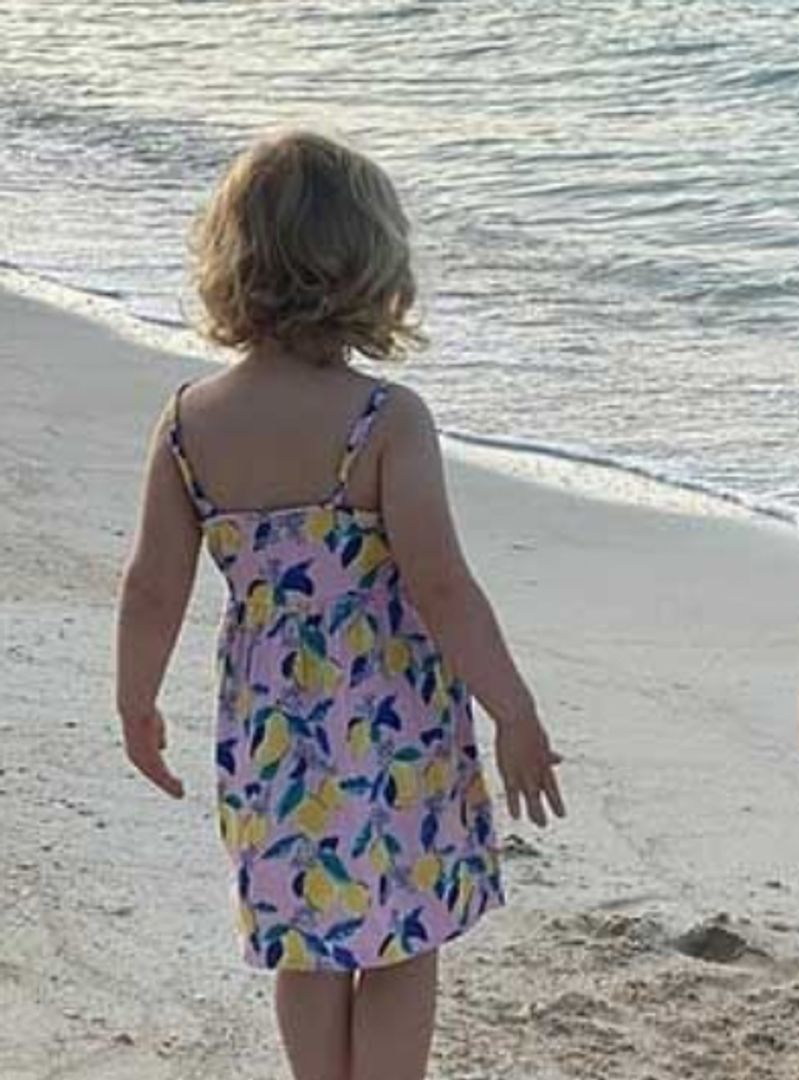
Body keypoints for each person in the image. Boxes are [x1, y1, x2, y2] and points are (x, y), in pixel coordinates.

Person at [114, 131, 566, 1080]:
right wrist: (512, 710)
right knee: (403, 936)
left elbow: (154, 583)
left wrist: (137, 700)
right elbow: (442, 585)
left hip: (275, 728)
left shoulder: (190, 421)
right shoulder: (384, 421)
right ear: (371, 264)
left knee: (306, 938)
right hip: (395, 722)